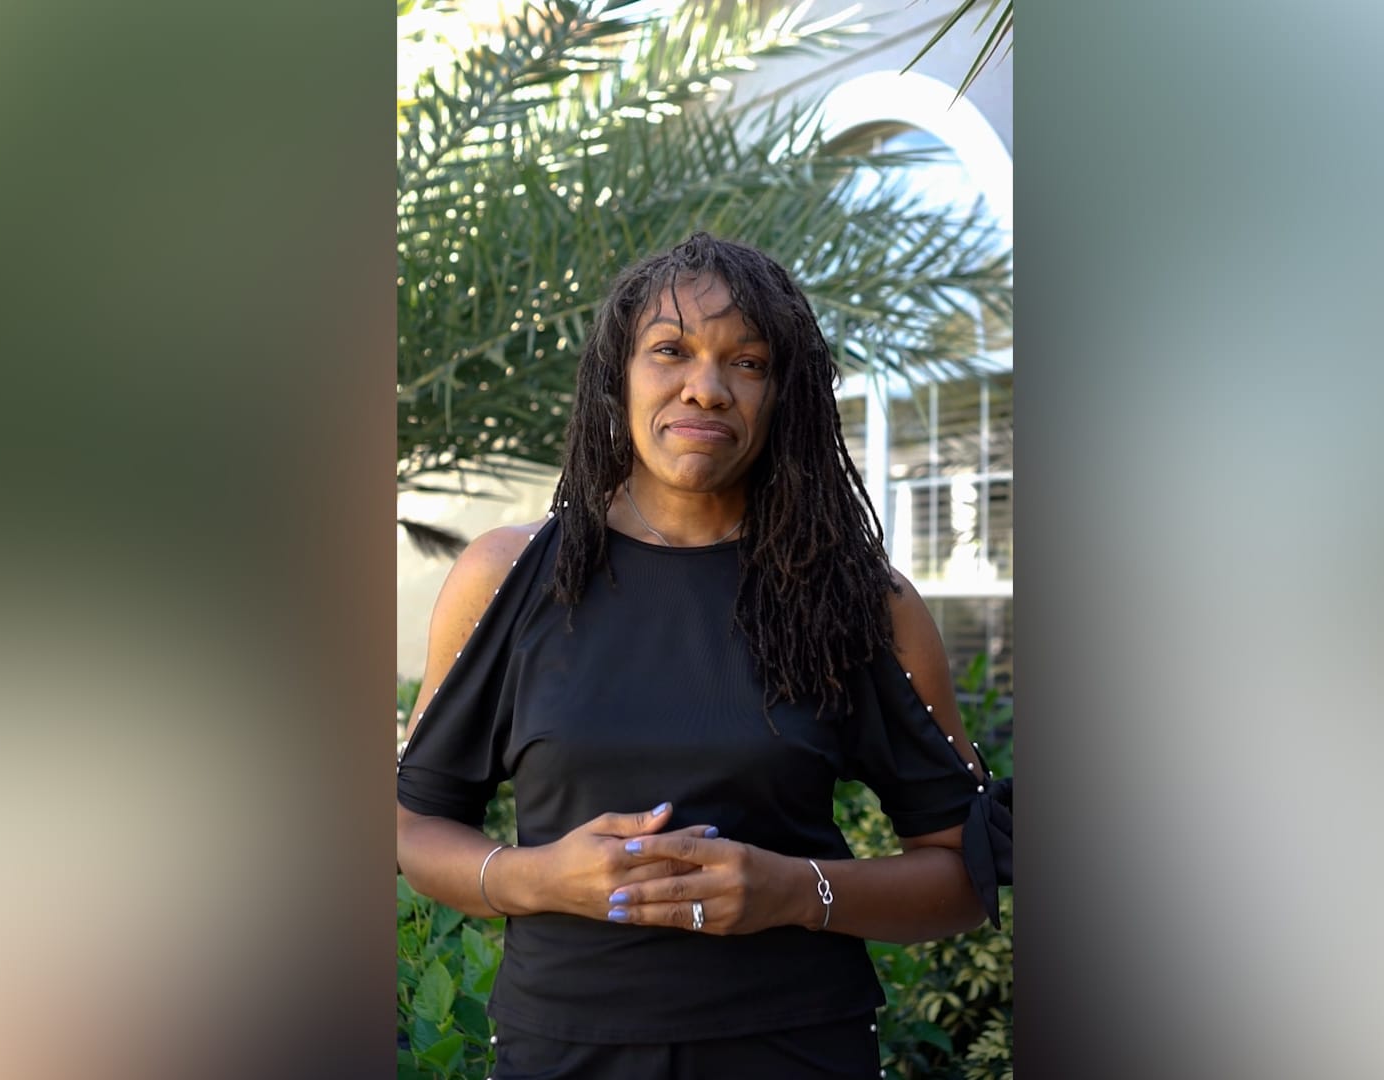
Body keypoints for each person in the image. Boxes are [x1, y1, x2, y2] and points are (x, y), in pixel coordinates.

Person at [395, 232, 1011, 1079]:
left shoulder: (861, 602)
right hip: (563, 1056)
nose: (707, 387)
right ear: (617, 375)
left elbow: (961, 874)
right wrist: (537, 879)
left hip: (797, 1053)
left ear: (782, 394)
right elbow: (413, 824)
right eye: (670, 350)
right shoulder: (508, 577)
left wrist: (795, 890)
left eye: (747, 363)